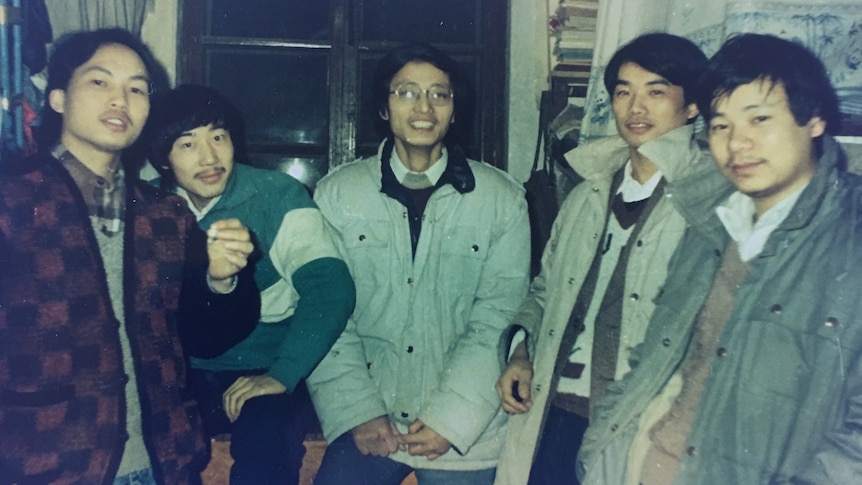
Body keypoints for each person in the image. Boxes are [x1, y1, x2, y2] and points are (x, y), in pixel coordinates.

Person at [577, 33, 862, 484]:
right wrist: (600, 452)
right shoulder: (711, 223)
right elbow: (654, 357)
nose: (737, 143)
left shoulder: (850, 235)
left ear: (815, 120)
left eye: (759, 119)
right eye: (721, 125)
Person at [0, 29, 260, 485]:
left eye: (136, 89)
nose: (120, 100)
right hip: (45, 465)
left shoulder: (167, 214)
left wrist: (221, 280)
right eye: (100, 82)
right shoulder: (14, 202)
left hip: (164, 463)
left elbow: (203, 340)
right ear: (57, 98)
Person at [306, 42, 530, 485]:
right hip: (371, 419)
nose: (424, 107)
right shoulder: (337, 195)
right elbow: (323, 314)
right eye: (407, 93)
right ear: (384, 108)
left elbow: (498, 316)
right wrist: (358, 412)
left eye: (440, 95)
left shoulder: (502, 200)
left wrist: (452, 420)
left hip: (468, 428)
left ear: (454, 109)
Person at [493, 33, 710, 485]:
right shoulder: (585, 195)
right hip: (555, 414)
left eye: (656, 91)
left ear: (692, 106)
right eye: (623, 91)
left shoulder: (707, 202)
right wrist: (520, 351)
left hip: (640, 427)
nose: (635, 107)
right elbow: (543, 290)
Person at [146, 84, 356, 485]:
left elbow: (331, 288)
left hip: (269, 365)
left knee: (267, 450)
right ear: (163, 160)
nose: (210, 157)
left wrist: (281, 374)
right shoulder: (152, 209)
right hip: (183, 373)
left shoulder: (278, 196)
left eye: (219, 137)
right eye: (188, 144)